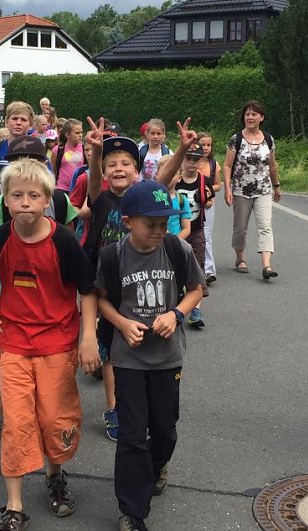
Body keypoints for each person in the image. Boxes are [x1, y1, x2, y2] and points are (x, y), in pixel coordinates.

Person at [0, 158, 100, 531]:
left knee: (55, 418)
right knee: (18, 423)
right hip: (15, 344)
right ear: (5, 201)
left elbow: (88, 291)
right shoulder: (0, 239)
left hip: (58, 342)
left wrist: (89, 338)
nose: (24, 202)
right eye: (16, 195)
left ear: (46, 201)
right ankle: (14, 506)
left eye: (33, 196)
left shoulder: (63, 241)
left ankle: (55, 474)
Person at [95, 180, 204, 531]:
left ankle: (158, 466)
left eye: (163, 224)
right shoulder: (113, 256)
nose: (159, 232)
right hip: (128, 359)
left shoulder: (176, 248)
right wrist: (122, 324)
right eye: (151, 225)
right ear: (128, 221)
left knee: (164, 430)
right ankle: (132, 510)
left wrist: (176, 314)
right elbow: (101, 298)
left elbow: (196, 290)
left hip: (167, 359)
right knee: (131, 435)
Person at [84, 117, 196, 443]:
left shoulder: (144, 198)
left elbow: (162, 177)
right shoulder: (101, 199)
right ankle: (114, 407)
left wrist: (184, 149)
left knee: (140, 345)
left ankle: (141, 401)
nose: (118, 168)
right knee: (109, 351)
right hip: (109, 284)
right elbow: (92, 180)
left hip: (143, 281)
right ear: (105, 173)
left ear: (137, 171)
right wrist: (93, 155)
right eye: (111, 164)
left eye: (126, 163)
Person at [223, 100, 281, 279]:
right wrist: (228, 188)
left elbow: (272, 166)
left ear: (261, 117)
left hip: (263, 189)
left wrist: (276, 186)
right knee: (240, 228)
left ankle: (267, 266)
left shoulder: (268, 139)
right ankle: (240, 258)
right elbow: (227, 165)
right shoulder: (236, 139)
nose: (250, 117)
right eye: (247, 114)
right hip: (241, 190)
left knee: (265, 226)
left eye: (254, 114)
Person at [0, 135, 78, 232]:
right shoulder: (3, 200)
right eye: (17, 162)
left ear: (45, 165)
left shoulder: (59, 199)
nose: (26, 167)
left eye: (33, 162)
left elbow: (69, 238)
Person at [175, 143, 213, 328]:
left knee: (197, 266)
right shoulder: (175, 180)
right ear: (182, 159)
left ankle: (196, 310)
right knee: (175, 268)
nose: (191, 162)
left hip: (197, 230)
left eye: (195, 159)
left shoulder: (204, 181)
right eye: (188, 158)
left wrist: (206, 201)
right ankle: (178, 304)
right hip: (176, 232)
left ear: (201, 161)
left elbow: (210, 201)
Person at [196, 132, 221, 285]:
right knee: (194, 235)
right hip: (192, 204)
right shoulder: (190, 161)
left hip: (208, 204)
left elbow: (218, 184)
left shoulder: (213, 164)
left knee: (207, 236)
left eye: (208, 145)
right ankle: (195, 267)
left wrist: (208, 190)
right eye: (203, 144)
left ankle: (209, 270)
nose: (206, 148)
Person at [0, 101, 34, 180]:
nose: (18, 123)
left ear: (30, 125)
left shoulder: (37, 150)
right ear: (6, 122)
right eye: (14, 118)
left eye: (23, 119)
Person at [156, 155, 191, 240]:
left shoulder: (182, 200)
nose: (169, 176)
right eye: (165, 171)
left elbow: (186, 229)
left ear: (179, 178)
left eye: (173, 173)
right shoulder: (152, 197)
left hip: (176, 244)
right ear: (157, 174)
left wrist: (174, 242)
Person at [52, 118, 86, 193]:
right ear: (67, 135)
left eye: (81, 132)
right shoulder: (58, 150)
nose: (80, 135)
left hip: (79, 189)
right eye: (77, 133)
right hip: (61, 189)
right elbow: (53, 171)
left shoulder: (85, 149)